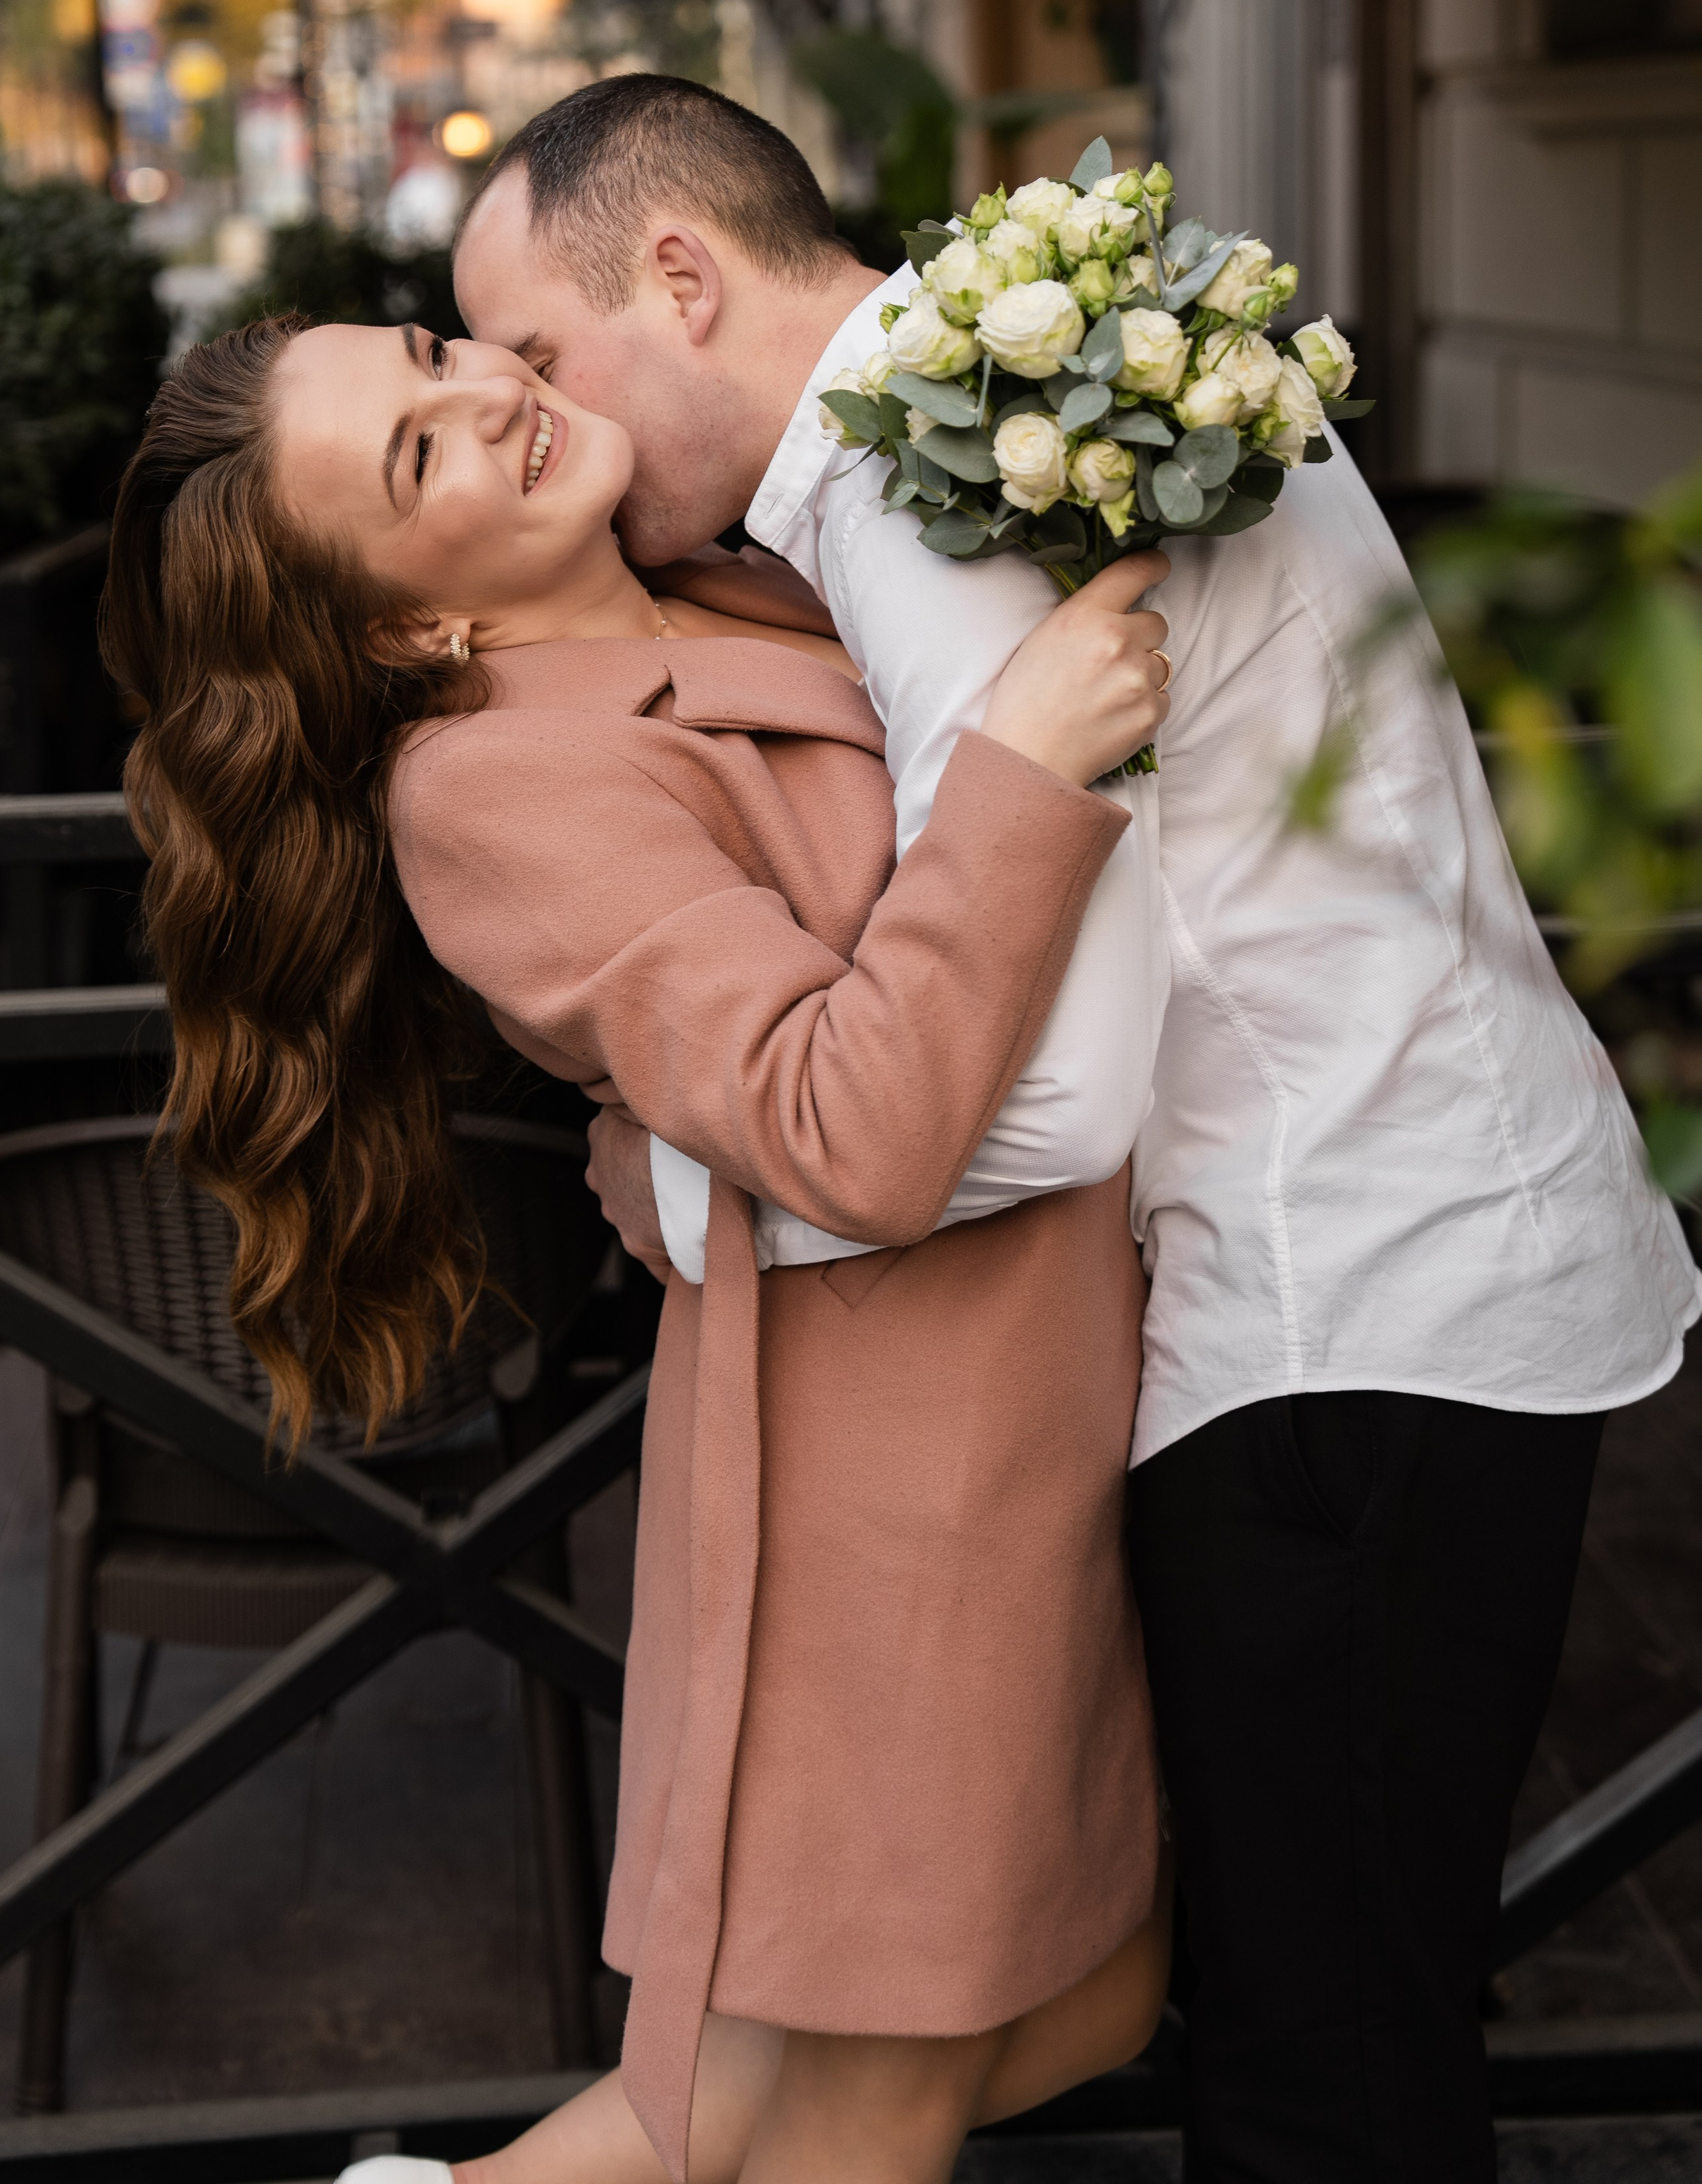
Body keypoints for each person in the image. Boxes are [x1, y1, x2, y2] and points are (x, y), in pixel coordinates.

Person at [454, 73, 1700, 2182]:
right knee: (1339, 2009)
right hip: (1425, 1243)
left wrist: (695, 1190)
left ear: (677, 274)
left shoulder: (921, 488)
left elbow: (1037, 1102)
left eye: (538, 356)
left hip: (1331, 1309)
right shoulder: (1043, 361)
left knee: (1325, 2073)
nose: (529, 413)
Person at [101, 314, 1181, 2184]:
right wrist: (1028, 770)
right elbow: (843, 1124)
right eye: (420, 454)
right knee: (884, 2096)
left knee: (1048, 2013)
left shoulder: (736, 581)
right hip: (902, 1501)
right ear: (404, 631)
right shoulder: (494, 787)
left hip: (1029, 1410)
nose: (487, 395)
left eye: (441, 350)